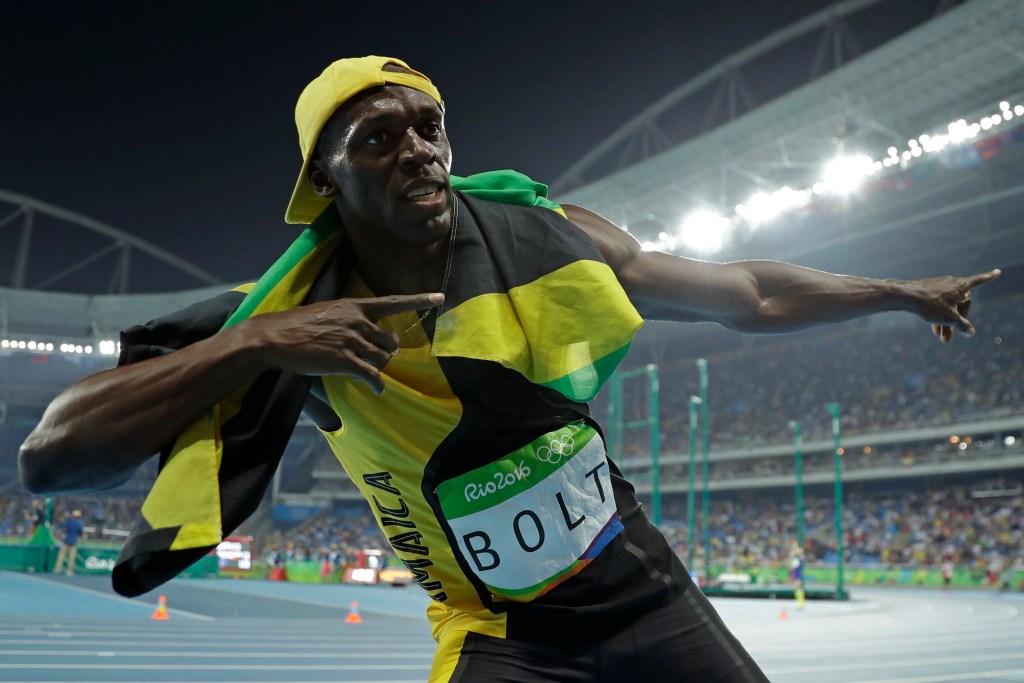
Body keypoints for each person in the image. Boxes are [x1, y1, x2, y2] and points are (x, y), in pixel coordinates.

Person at [18, 55, 999, 682]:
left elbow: (747, 289)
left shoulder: (550, 240)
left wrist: (895, 290)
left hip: (648, 595)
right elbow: (54, 453)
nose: (418, 148)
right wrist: (256, 345)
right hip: (500, 636)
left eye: (429, 124)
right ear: (322, 177)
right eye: (378, 136)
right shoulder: (288, 314)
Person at [53, 509, 84, 575]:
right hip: (74, 541)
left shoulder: (68, 522)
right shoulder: (79, 524)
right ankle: (69, 571)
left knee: (61, 556)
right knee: (71, 557)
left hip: (66, 540)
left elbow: (64, 529)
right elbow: (80, 533)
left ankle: (57, 569)